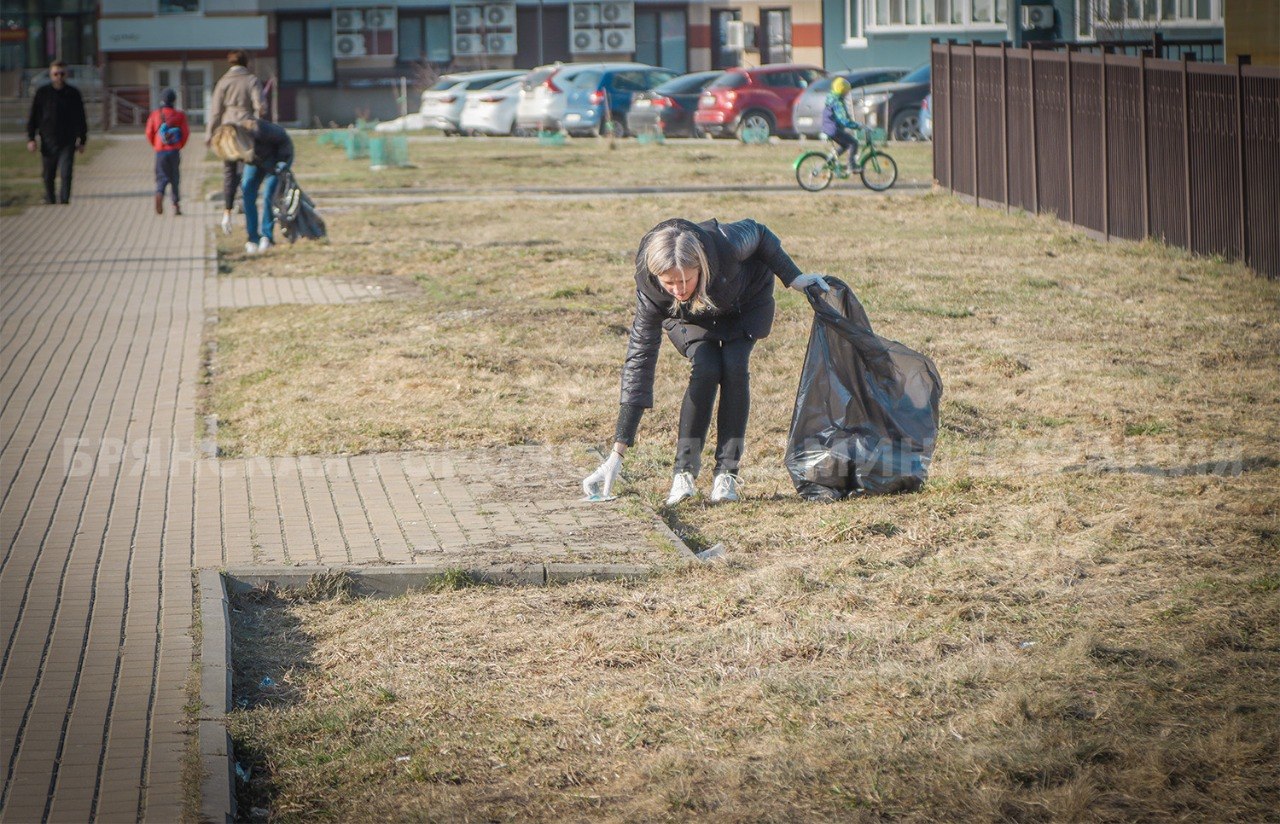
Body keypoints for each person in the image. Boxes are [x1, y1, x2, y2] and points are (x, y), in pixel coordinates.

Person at [583, 219, 828, 506]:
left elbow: (760, 233)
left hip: (743, 302)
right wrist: (617, 454)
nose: (678, 288)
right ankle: (683, 474)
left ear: (701, 266)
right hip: (688, 317)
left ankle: (727, 474)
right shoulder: (651, 289)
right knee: (706, 368)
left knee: (735, 366)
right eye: (670, 282)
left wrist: (794, 278)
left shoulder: (727, 243)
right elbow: (640, 360)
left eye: (686, 279)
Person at [210, 119, 293, 254]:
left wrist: (283, 162)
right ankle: (253, 238)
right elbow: (230, 179)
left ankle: (267, 236)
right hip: (254, 162)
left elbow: (283, 138)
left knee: (269, 194)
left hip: (276, 158)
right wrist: (227, 210)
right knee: (247, 190)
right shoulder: (230, 150)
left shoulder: (257, 129)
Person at [207, 50, 266, 234]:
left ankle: (226, 212)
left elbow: (215, 111)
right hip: (246, 130)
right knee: (247, 169)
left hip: (227, 132)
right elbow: (260, 106)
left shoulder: (223, 82)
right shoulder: (251, 80)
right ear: (246, 62)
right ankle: (244, 202)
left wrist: (209, 134)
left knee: (229, 172)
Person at [25, 60, 88, 205]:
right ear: (51, 74)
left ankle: (64, 200)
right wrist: (31, 138)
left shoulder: (73, 93)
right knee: (48, 174)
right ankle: (50, 198)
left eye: (62, 73)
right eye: (56, 74)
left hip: (68, 140)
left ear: (66, 74)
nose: (59, 76)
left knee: (66, 172)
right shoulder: (42, 93)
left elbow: (81, 117)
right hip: (48, 140)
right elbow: (34, 116)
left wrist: (82, 140)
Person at [144, 88, 190, 216]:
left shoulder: (155, 114)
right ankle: (176, 205)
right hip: (174, 150)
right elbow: (185, 133)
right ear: (174, 100)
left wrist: (156, 144)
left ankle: (159, 193)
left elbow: (148, 132)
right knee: (175, 177)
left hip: (160, 151)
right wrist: (180, 145)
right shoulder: (180, 115)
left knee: (161, 177)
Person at [821, 76, 862, 174]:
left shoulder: (831, 98)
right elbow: (843, 120)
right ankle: (851, 166)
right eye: (846, 91)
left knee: (845, 145)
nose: (847, 93)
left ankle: (831, 160)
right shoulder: (837, 102)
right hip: (833, 129)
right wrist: (856, 125)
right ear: (842, 91)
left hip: (828, 128)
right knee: (853, 143)